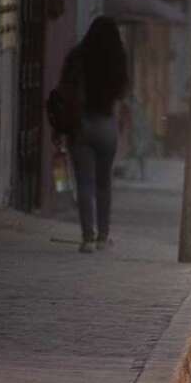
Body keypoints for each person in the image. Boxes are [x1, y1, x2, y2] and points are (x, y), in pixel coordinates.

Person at [59, 16, 129, 253]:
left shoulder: (77, 57)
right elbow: (122, 92)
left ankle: (87, 238)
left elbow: (64, 90)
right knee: (104, 184)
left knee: (85, 183)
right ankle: (103, 236)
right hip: (107, 125)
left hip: (81, 125)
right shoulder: (117, 60)